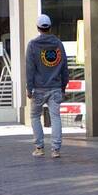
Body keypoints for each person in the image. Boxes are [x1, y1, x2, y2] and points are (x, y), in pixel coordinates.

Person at [26, 14, 69, 158]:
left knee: (35, 116)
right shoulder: (58, 43)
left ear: (38, 28)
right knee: (56, 117)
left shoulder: (32, 45)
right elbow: (64, 67)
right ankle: (56, 149)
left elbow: (30, 68)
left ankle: (39, 147)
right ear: (50, 27)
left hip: (38, 88)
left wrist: (29, 87)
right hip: (56, 87)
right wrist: (63, 87)